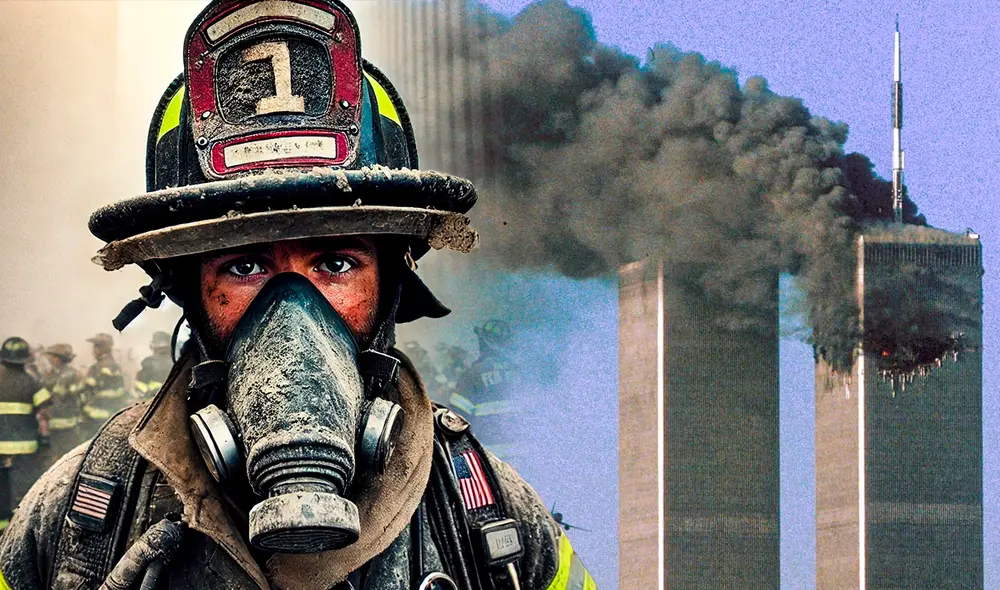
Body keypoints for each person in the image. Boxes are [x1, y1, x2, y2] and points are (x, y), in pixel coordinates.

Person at [0, 1, 596, 588]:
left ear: (392, 285)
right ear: (185, 289)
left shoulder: (495, 530)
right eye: (244, 265)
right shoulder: (73, 521)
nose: (292, 318)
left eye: (336, 262)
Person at [450, 320, 520, 461]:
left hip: (491, 456)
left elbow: (454, 421)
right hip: (524, 454)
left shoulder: (473, 374)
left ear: (484, 342)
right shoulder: (521, 372)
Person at [0, 337, 46, 534]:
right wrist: (45, 439)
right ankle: (21, 531)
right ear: (25, 360)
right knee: (25, 491)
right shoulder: (32, 383)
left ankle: (2, 527)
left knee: (2, 489)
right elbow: (44, 416)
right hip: (27, 450)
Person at [35, 343, 85, 469]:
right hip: (67, 421)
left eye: (51, 358)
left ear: (57, 359)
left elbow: (56, 395)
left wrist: (40, 400)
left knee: (61, 456)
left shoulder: (65, 375)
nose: (49, 361)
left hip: (63, 423)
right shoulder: (68, 373)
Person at [78, 333, 127, 439]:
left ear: (102, 349)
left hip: (96, 418)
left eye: (96, 346)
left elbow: (87, 388)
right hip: (111, 415)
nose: (93, 351)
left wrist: (81, 378)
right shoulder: (115, 366)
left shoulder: (97, 368)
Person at [133, 331, 173, 402]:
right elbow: (140, 384)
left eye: (165, 348)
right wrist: (147, 393)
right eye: (161, 348)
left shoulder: (175, 360)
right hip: (152, 400)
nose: (162, 350)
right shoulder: (148, 362)